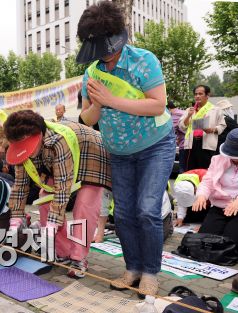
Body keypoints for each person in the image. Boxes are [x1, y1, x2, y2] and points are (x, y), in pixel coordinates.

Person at [76, 1, 175, 296]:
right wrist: (96, 103)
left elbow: (157, 104)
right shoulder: (92, 73)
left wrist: (110, 99)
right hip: (118, 152)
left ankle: (151, 273)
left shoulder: (144, 61)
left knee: (147, 210)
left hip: (155, 146)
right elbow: (86, 118)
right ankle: (132, 268)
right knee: (125, 214)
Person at [4, 110, 112, 278]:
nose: (22, 150)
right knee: (44, 200)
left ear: (38, 136)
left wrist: (53, 224)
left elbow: (62, 188)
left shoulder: (57, 141)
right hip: (62, 160)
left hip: (91, 154)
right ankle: (63, 252)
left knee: (84, 207)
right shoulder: (22, 144)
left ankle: (79, 257)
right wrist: (16, 217)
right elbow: (20, 186)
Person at [192, 129, 238, 245]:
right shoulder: (217, 160)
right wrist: (201, 195)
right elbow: (208, 181)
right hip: (219, 207)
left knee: (230, 244)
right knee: (204, 243)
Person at [178, 85, 226, 170]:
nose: (197, 96)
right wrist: (188, 115)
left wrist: (212, 130)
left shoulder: (215, 110)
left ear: (207, 95)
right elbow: (182, 126)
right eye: (196, 94)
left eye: (200, 94)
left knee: (205, 171)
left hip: (206, 144)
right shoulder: (190, 110)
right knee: (190, 172)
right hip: (191, 144)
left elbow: (222, 126)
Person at [168, 100, 187, 173]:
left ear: (168, 109)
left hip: (184, 145)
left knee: (182, 170)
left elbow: (169, 130)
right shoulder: (183, 112)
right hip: (192, 144)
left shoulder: (174, 115)